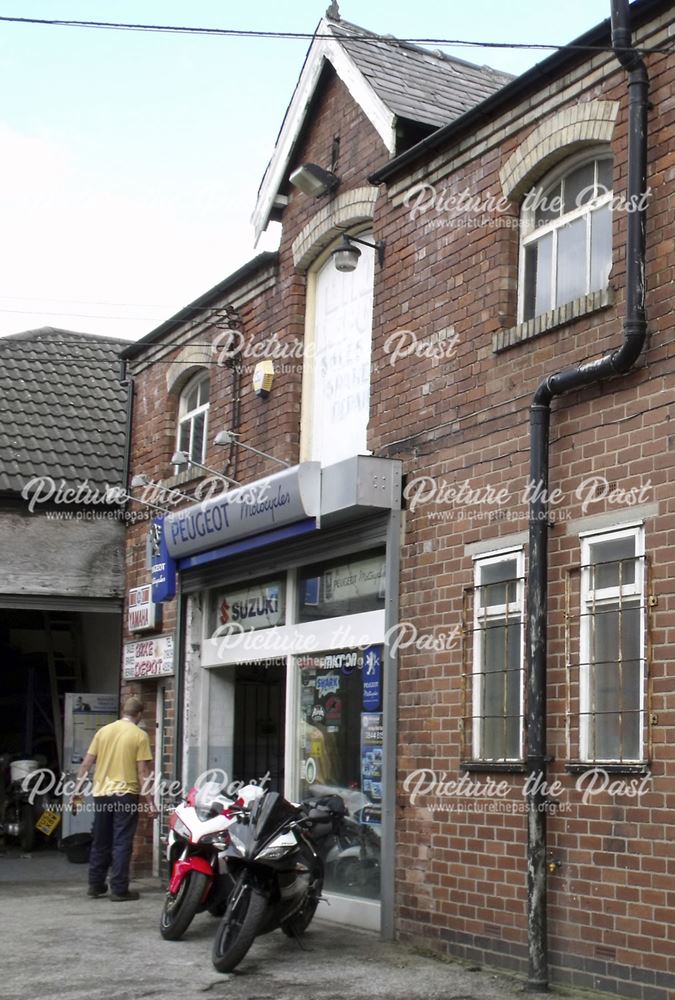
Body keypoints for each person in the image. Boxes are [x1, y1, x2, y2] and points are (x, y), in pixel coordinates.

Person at [71, 696, 157, 901]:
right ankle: (119, 889)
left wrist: (77, 791)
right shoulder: (139, 735)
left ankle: (95, 885)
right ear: (139, 714)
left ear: (123, 712)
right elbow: (142, 771)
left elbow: (86, 764)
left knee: (101, 839)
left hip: (101, 794)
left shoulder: (103, 731)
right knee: (121, 841)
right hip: (125, 795)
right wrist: (150, 801)